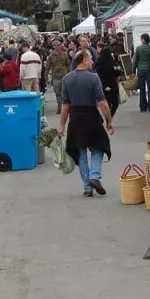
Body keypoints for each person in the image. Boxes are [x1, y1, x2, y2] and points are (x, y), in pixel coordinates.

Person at [58, 49, 115, 197]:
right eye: (90, 58)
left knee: (81, 152)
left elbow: (65, 106)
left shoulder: (66, 79)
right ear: (83, 59)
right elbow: (102, 102)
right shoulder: (94, 78)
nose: (92, 61)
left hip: (75, 118)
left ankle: (87, 187)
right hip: (91, 116)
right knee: (99, 147)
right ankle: (95, 176)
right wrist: (109, 120)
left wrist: (62, 126)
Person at [133, 33, 150, 112]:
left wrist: (133, 70)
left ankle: (143, 107)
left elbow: (135, 61)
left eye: (141, 39)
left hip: (140, 70)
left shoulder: (138, 48)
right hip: (149, 70)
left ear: (143, 39)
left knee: (142, 88)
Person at [46, 40, 71, 114]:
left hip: (64, 76)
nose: (58, 46)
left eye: (59, 45)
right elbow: (47, 67)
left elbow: (69, 65)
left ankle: (65, 108)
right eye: (56, 45)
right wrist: (46, 77)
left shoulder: (65, 54)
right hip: (55, 77)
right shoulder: (51, 56)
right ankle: (60, 107)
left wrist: (70, 75)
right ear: (53, 46)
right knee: (57, 93)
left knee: (64, 93)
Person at [95, 46, 121, 116]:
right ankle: (109, 119)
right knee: (115, 103)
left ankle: (108, 119)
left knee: (108, 104)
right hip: (112, 85)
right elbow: (118, 71)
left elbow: (99, 75)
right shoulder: (111, 61)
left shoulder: (99, 62)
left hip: (105, 85)